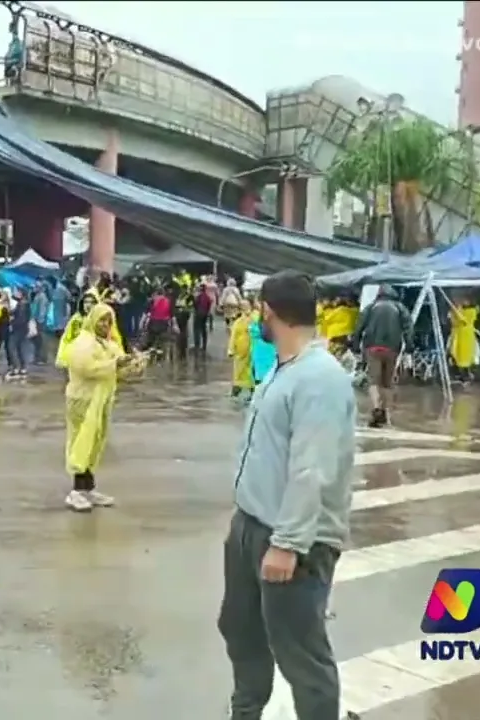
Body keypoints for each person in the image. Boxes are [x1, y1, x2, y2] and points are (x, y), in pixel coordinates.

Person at [217, 271, 355, 720]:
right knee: (242, 631)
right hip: (252, 524)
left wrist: (287, 544)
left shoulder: (320, 378)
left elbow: (312, 467)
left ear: (269, 313)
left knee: (301, 652)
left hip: (292, 540)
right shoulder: (284, 368)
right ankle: (246, 713)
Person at [62, 303, 136, 512]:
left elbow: (118, 368)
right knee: (81, 441)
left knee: (95, 442)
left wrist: (134, 364)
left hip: (101, 400)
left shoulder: (109, 343)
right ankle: (75, 491)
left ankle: (88, 488)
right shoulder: (83, 343)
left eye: (109, 321)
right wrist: (115, 365)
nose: (105, 324)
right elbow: (86, 368)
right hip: (83, 400)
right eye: (102, 320)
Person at [353, 286, 411, 428]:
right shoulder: (400, 308)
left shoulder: (371, 307)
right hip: (392, 348)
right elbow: (408, 327)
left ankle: (376, 408)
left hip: (372, 347)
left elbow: (359, 326)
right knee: (387, 382)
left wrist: (355, 344)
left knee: (373, 380)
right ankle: (385, 411)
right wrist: (409, 346)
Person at [57, 294, 121, 367]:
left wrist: (119, 355)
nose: (88, 305)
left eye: (92, 302)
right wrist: (62, 358)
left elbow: (114, 337)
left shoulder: (104, 318)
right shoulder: (76, 319)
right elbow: (67, 338)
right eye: (86, 302)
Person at [448, 296, 479, 383]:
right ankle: (458, 373)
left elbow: (463, 320)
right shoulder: (459, 310)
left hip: (466, 335)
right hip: (458, 335)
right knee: (455, 353)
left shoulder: (472, 311)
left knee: (466, 355)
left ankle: (466, 374)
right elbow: (454, 321)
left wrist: (456, 310)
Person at [229, 299, 256, 399]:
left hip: (252, 349)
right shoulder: (238, 321)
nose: (244, 307)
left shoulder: (255, 318)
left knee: (251, 371)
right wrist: (231, 349)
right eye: (242, 305)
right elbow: (233, 335)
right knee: (239, 372)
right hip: (240, 350)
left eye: (246, 305)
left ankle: (252, 391)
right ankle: (236, 391)